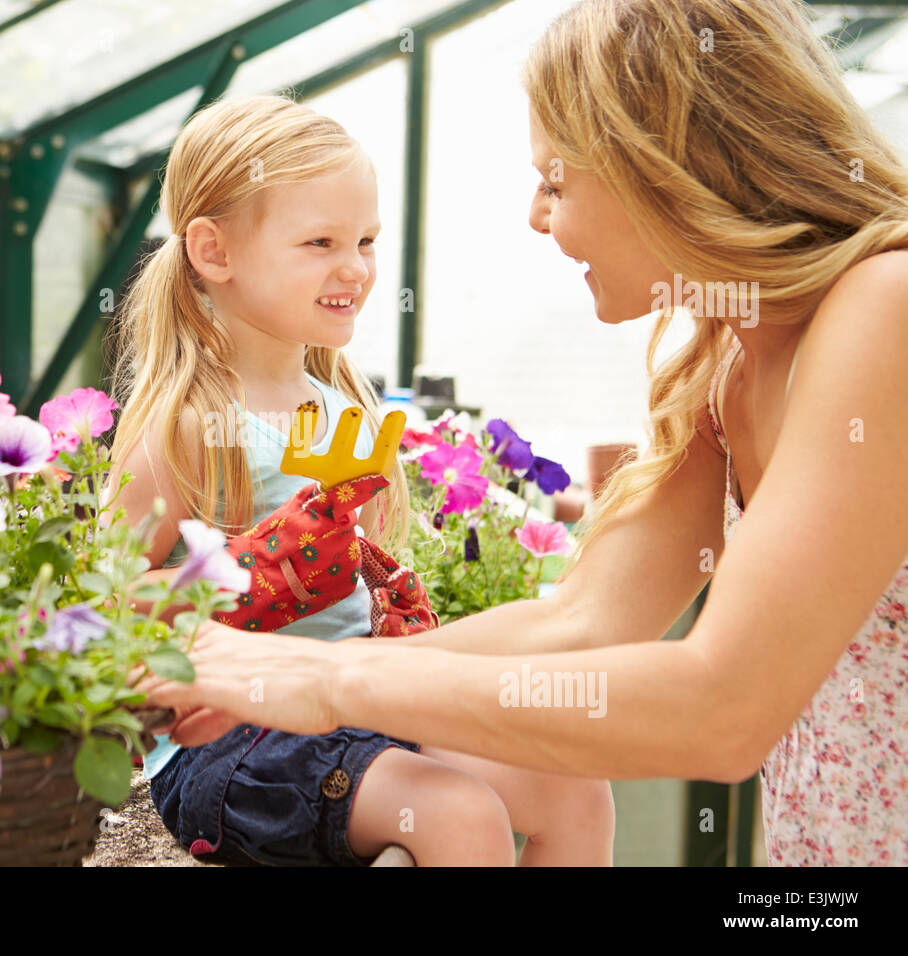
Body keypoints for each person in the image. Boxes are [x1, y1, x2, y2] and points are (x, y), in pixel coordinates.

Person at [138, 0, 908, 867]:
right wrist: (262, 688)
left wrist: (318, 680)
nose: (538, 218)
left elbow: (723, 709)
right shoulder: (725, 367)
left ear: (662, 166)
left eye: (556, 180)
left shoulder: (887, 306)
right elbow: (579, 625)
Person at [109, 93, 615, 866]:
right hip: (233, 743)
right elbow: (113, 607)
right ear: (214, 252)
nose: (357, 267)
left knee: (574, 787)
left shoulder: (345, 406)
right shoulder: (186, 424)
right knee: (459, 817)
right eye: (320, 241)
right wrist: (238, 597)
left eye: (368, 240)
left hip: (357, 700)